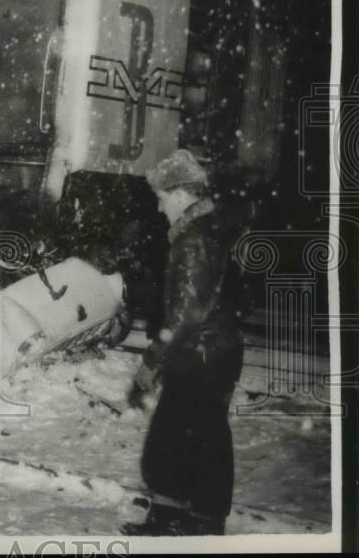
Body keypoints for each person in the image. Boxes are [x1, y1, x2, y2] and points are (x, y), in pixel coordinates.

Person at [122, 149, 244, 537]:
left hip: (201, 356)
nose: (160, 208)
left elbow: (186, 314)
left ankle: (186, 520)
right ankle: (189, 518)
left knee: (180, 438)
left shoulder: (195, 240)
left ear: (178, 194)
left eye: (161, 198)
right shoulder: (206, 232)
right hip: (210, 353)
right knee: (195, 436)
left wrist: (152, 363)